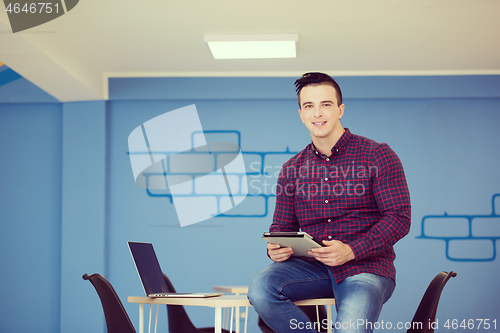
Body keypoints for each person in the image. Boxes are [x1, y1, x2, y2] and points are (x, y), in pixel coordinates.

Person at [247, 72, 411, 333]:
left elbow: (398, 218)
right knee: (260, 289)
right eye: (309, 106)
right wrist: (276, 247)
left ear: (340, 110)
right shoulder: (291, 169)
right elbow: (281, 226)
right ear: (300, 114)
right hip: (310, 269)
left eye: (326, 104)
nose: (317, 113)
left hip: (364, 268)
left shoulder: (378, 155)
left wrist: (351, 250)